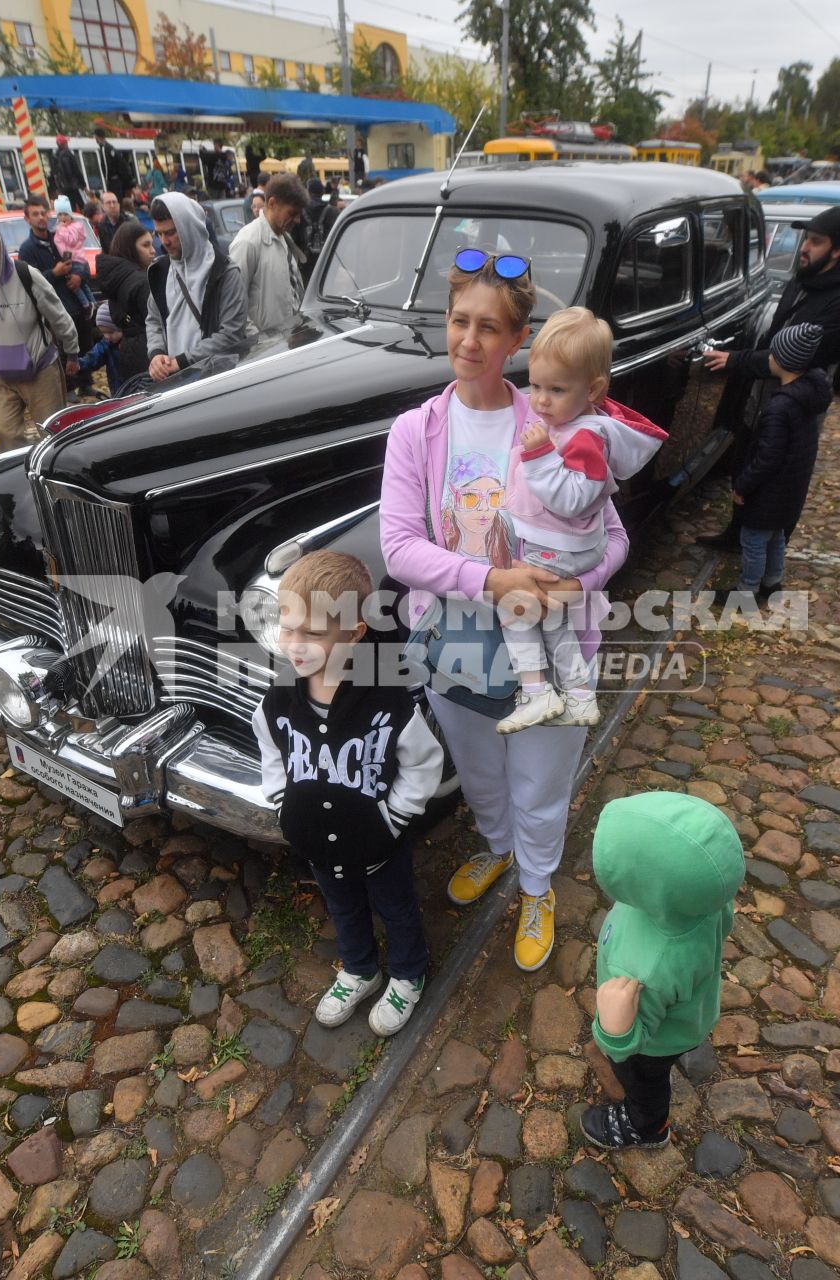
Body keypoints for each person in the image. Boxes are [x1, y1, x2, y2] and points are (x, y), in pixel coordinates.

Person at [381, 251, 629, 973]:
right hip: (456, 642)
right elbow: (399, 547)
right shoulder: (417, 430)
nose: (469, 340)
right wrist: (492, 580)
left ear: (516, 340)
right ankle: (497, 849)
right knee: (482, 773)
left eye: (489, 327)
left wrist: (578, 586)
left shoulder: (557, 421)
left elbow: (614, 537)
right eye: (460, 320)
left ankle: (538, 883)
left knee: (540, 783)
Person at [251, 550, 445, 1037]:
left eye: (313, 634)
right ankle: (360, 968)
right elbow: (272, 753)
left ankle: (407, 972)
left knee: (395, 906)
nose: (294, 645)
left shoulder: (388, 702)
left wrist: (393, 818)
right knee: (342, 907)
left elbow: (423, 761)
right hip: (317, 842)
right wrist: (283, 803)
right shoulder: (278, 701)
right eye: (288, 627)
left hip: (380, 842)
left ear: (354, 634)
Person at [498, 307, 664, 734]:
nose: (541, 401)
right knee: (552, 619)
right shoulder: (569, 426)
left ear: (593, 389)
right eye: (534, 386)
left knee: (517, 607)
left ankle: (536, 692)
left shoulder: (587, 437)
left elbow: (573, 499)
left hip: (566, 548)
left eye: (556, 389)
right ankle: (578, 694)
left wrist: (538, 457)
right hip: (566, 545)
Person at [582, 792, 744, 1150]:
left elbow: (627, 1044)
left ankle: (646, 1126)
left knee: (643, 1081)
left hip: (653, 1044)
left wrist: (611, 1029)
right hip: (692, 1013)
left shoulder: (646, 968)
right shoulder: (705, 901)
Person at [697, 205, 840, 551]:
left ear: (839, 249)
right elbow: (775, 335)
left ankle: (768, 560)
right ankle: (735, 535)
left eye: (816, 241)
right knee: (746, 459)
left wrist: (736, 360)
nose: (805, 247)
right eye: (805, 238)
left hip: (799, 398)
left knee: (781, 477)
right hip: (766, 388)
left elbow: (797, 359)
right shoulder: (802, 279)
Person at [0, 214, 81, 450]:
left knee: (52, 433)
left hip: (39, 369)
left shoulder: (26, 274)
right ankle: (19, 481)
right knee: (5, 432)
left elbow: (58, 315)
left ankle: (60, 479)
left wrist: (72, 351)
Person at [731, 323, 830, 609]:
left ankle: (747, 591)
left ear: (781, 360)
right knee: (775, 536)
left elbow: (767, 457)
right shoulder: (808, 396)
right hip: (791, 488)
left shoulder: (779, 407)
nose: (769, 357)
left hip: (768, 492)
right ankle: (772, 582)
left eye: (773, 353)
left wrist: (743, 485)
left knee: (753, 539)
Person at [145, 193, 250, 384]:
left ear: (188, 228)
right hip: (175, 383)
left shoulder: (225, 273)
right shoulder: (161, 271)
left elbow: (231, 334)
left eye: (170, 232)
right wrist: (157, 354)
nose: (164, 241)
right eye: (159, 234)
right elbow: (153, 320)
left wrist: (183, 361)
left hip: (219, 383)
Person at [229, 173, 309, 344]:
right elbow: (233, 307)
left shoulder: (282, 236)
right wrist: (261, 343)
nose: (297, 220)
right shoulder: (247, 242)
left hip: (290, 344)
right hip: (268, 353)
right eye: (293, 213)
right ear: (272, 203)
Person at [78, 220, 155, 388]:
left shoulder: (118, 278)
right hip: (148, 359)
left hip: (131, 357)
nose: (153, 250)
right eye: (146, 245)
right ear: (130, 248)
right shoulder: (140, 282)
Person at [16, 195, 96, 355]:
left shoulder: (60, 236)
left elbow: (83, 262)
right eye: (35, 214)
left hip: (78, 308)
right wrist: (54, 273)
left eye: (43, 213)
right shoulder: (27, 249)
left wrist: (79, 277)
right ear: (27, 218)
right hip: (56, 316)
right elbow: (29, 284)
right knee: (68, 364)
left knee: (87, 358)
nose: (41, 217)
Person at [51, 135, 85, 207]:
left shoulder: (55, 156)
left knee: (70, 207)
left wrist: (58, 188)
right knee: (82, 205)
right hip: (73, 186)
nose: (67, 144)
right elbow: (76, 170)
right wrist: (83, 185)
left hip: (63, 188)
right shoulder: (68, 154)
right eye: (65, 142)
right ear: (62, 144)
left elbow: (54, 174)